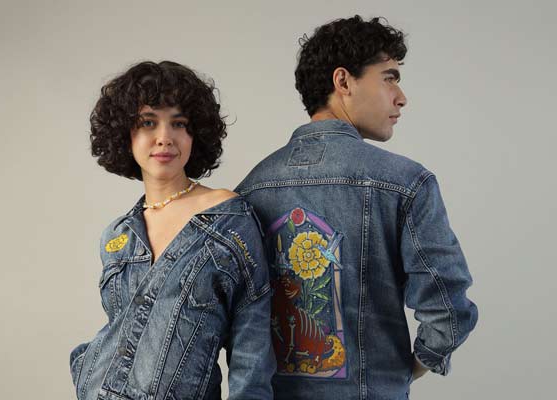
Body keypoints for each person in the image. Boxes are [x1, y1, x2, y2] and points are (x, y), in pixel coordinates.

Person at [235, 15, 478, 399]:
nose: (401, 97)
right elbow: (448, 310)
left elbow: (238, 324)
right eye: (389, 78)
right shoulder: (406, 183)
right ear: (343, 81)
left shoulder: (248, 190)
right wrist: (404, 371)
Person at [69, 61, 275, 400]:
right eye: (148, 122)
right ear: (126, 133)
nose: (165, 138)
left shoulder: (227, 218)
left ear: (196, 134)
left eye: (179, 124)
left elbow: (252, 343)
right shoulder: (118, 235)